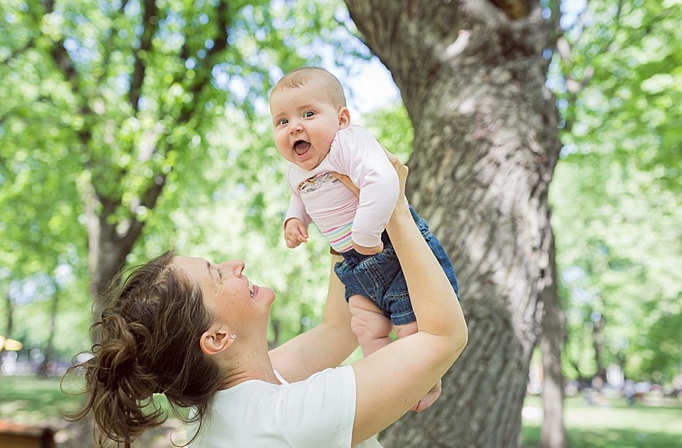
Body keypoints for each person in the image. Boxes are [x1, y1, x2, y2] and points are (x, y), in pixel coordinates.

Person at [64, 153, 467, 447]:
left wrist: (335, 210)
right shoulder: (284, 421)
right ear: (217, 338)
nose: (235, 264)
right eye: (217, 275)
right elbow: (442, 338)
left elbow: (337, 331)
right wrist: (394, 208)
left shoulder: (227, 403)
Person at [270, 66, 459, 410]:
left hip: (390, 249)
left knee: (412, 327)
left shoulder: (348, 143)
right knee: (367, 330)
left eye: (308, 114)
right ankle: (389, 386)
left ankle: (427, 384)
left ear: (341, 118)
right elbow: (299, 197)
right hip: (352, 264)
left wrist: (366, 232)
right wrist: (294, 220)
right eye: (282, 121)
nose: (294, 126)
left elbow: (384, 181)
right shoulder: (295, 172)